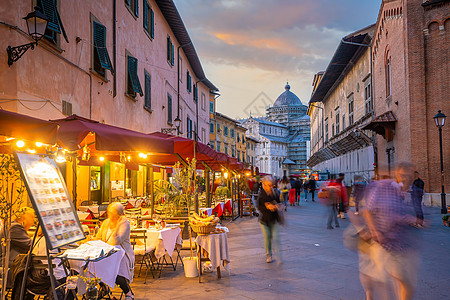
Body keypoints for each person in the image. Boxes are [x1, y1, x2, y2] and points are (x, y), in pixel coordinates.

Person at [364, 162, 419, 300]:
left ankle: (370, 293)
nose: (406, 179)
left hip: (400, 245)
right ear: (396, 174)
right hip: (383, 244)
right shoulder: (382, 187)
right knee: (402, 282)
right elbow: (368, 211)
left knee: (403, 282)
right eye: (403, 176)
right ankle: (369, 293)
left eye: (409, 176)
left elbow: (396, 215)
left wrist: (410, 219)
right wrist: (375, 230)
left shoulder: (406, 192)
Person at [96, 203, 135, 300]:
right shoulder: (106, 222)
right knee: (94, 265)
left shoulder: (124, 223)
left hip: (122, 254)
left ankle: (128, 293)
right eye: (109, 212)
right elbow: (99, 237)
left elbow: (117, 240)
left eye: (113, 213)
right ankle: (104, 288)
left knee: (116, 270)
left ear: (119, 214)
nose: (110, 215)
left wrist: (115, 227)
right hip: (105, 253)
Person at [257, 176, 281, 263]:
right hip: (264, 219)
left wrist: (277, 206)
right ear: (264, 184)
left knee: (276, 236)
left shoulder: (275, 193)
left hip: (274, 218)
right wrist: (267, 207)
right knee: (267, 237)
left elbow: (278, 203)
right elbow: (259, 207)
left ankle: (278, 254)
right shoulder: (261, 194)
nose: (270, 187)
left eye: (271, 185)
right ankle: (269, 254)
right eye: (268, 185)